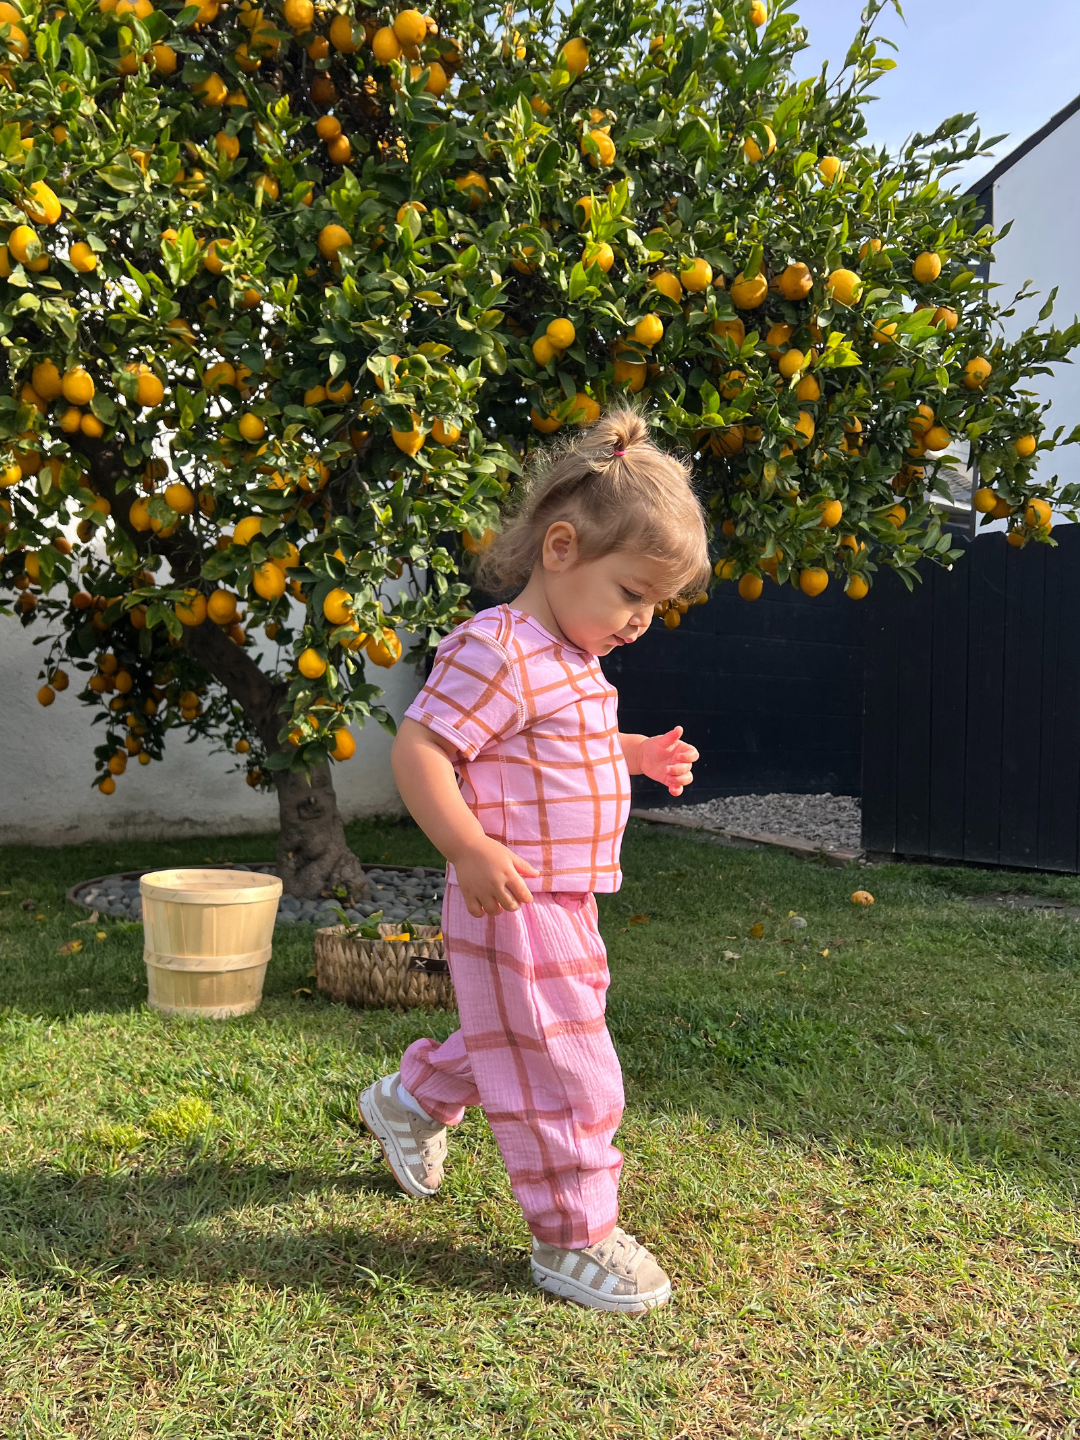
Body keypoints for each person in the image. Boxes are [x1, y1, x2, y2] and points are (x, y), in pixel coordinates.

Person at [359, 404, 710, 1313]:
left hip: (563, 899)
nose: (641, 621)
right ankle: (573, 1238)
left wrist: (635, 754)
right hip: (511, 895)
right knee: (567, 1064)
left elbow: (563, 744)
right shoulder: (499, 648)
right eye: (632, 593)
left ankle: (411, 1101)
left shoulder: (570, 658)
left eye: (655, 606)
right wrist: (468, 847)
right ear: (561, 549)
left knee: (524, 1035)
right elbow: (422, 751)